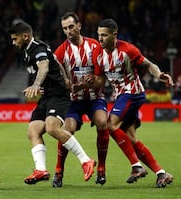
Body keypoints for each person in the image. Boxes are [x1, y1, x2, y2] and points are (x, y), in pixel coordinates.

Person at [87, 19, 174, 188]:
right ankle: (161, 173)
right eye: (99, 35)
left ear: (114, 35)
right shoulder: (98, 53)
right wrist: (88, 83)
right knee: (131, 138)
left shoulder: (128, 50)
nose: (100, 39)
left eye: (104, 35)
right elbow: (100, 81)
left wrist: (159, 74)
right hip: (120, 96)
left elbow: (148, 65)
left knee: (110, 125)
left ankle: (136, 166)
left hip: (133, 93)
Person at [9, 21, 96, 185]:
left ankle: (86, 160)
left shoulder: (38, 49)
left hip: (58, 95)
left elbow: (44, 67)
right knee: (33, 130)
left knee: (51, 128)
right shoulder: (29, 52)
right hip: (47, 96)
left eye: (15, 39)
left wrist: (36, 84)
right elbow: (55, 61)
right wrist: (65, 78)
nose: (14, 43)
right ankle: (41, 169)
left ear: (25, 36)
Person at [52, 12, 110, 187]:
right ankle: (58, 171)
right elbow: (57, 80)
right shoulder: (61, 51)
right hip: (72, 101)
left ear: (79, 26)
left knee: (102, 122)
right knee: (66, 129)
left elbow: (103, 77)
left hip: (94, 98)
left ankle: (101, 169)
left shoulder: (95, 46)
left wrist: (93, 80)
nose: (68, 31)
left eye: (71, 27)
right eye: (64, 29)